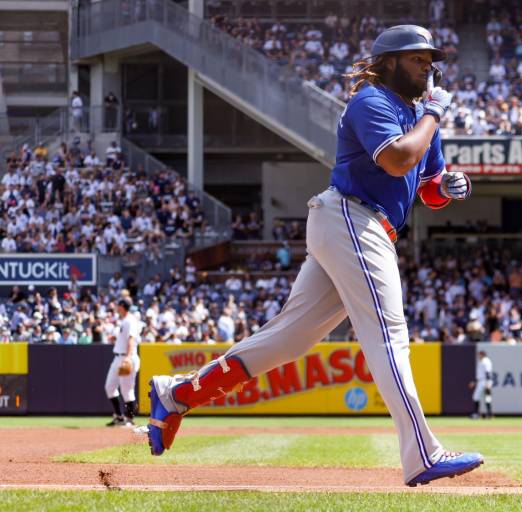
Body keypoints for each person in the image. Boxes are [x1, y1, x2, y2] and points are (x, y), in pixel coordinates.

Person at [143, 25, 483, 487]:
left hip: (359, 225)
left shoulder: (420, 114)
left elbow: (425, 184)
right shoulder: (372, 101)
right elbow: (397, 160)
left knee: (287, 341)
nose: (427, 66)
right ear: (389, 63)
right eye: (416, 58)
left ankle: (179, 392)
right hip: (352, 217)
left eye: (429, 59)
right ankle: (423, 454)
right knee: (388, 334)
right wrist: (435, 117)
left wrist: (446, 185)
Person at [104, 298, 141, 427]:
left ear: (123, 306)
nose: (116, 308)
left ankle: (129, 419)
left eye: (118, 305)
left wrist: (128, 357)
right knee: (109, 387)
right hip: (118, 357)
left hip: (127, 357)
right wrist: (116, 338)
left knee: (127, 390)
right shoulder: (124, 320)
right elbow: (125, 339)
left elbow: (131, 339)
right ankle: (119, 417)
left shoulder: (130, 320)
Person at [470, 350, 493, 419]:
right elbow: (480, 374)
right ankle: (487, 414)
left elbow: (487, 372)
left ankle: (480, 414)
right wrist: (475, 382)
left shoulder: (486, 361)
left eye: (479, 355)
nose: (478, 356)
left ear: (482, 354)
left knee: (485, 397)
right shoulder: (481, 361)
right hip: (481, 381)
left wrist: (488, 383)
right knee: (484, 397)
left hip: (485, 381)